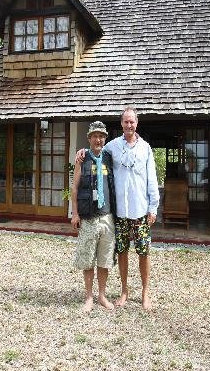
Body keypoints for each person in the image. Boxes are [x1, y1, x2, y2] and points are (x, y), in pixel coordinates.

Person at [76, 106, 159, 310]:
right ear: (121, 124)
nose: (129, 125)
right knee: (122, 251)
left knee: (143, 252)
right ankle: (124, 291)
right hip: (119, 212)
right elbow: (95, 150)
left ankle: (145, 293)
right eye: (125, 121)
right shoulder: (112, 146)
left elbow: (152, 179)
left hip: (140, 210)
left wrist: (153, 207)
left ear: (136, 123)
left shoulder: (145, 148)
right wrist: (81, 152)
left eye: (132, 121)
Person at [71, 121, 117, 312]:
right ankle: (89, 297)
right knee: (88, 259)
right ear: (89, 138)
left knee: (104, 259)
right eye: (95, 136)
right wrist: (75, 213)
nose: (98, 139)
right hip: (89, 217)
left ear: (105, 139)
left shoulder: (109, 157)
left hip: (106, 217)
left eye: (101, 136)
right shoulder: (83, 158)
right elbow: (74, 187)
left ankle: (102, 296)